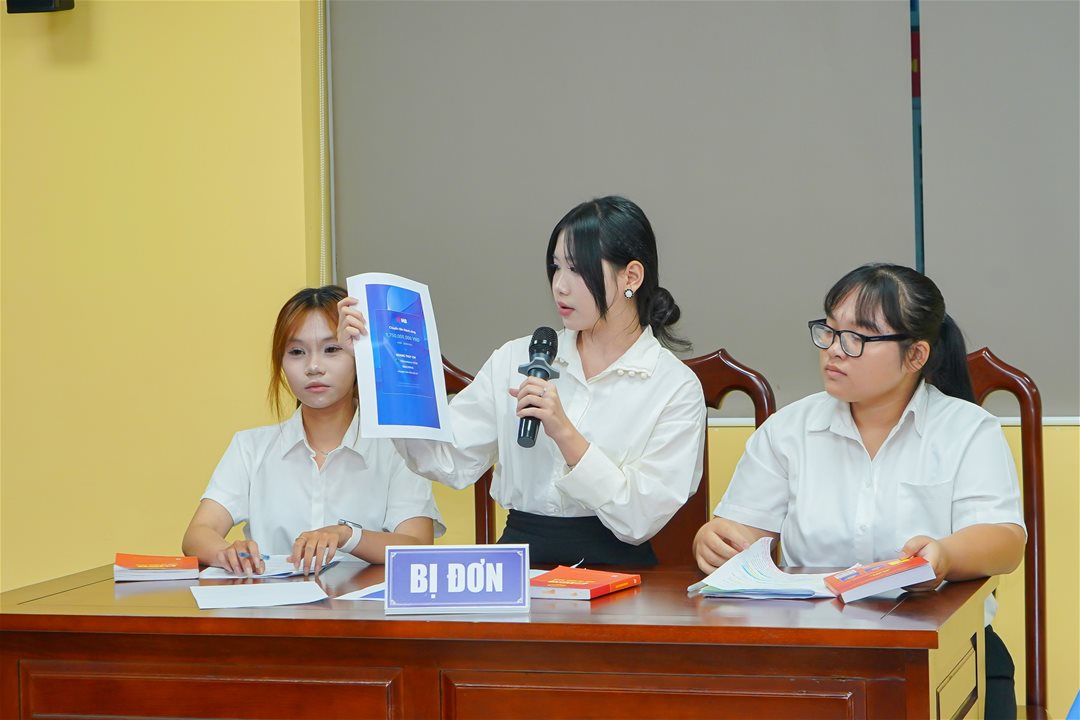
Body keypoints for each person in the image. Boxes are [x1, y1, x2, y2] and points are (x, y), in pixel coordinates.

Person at [692, 263, 1025, 718]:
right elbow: (744, 533)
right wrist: (717, 541)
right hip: (815, 653)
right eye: (829, 331)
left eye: (857, 338)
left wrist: (945, 556)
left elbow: (1005, 541)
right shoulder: (788, 430)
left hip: (945, 654)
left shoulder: (967, 430)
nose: (834, 350)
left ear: (915, 355)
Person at [339, 196, 706, 566]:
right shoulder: (516, 358)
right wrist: (375, 365)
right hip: (518, 562)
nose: (560, 286)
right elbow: (447, 458)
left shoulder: (675, 387)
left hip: (620, 571)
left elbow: (640, 518)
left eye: (577, 270)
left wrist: (565, 433)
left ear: (631, 277)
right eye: (555, 267)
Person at [182, 286, 444, 576]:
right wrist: (228, 553)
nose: (313, 366)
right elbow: (198, 534)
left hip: (364, 604)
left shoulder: (400, 448)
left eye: (332, 349)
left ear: (360, 356)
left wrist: (347, 536)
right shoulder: (250, 446)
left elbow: (417, 546)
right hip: (272, 603)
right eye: (297, 352)